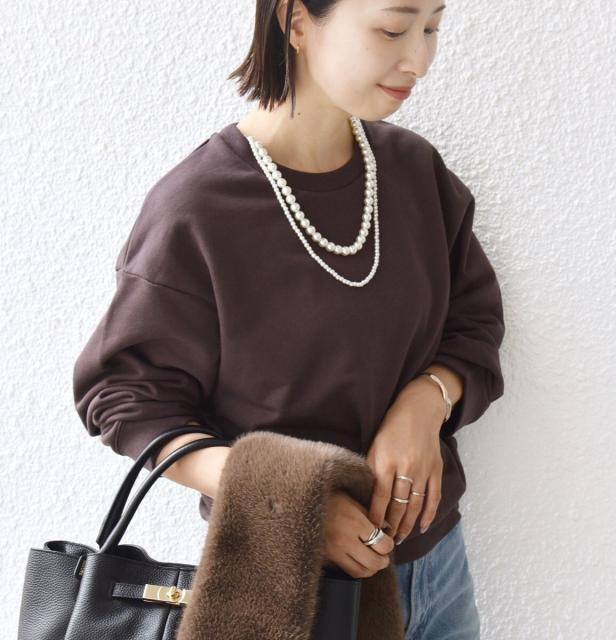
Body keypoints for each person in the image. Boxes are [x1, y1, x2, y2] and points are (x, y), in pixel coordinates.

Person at [72, 1, 505, 637]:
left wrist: (426, 400)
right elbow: (124, 398)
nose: (418, 59)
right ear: (297, 20)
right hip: (287, 590)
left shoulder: (416, 173)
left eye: (432, 28)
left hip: (438, 571)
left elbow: (475, 321)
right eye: (393, 28)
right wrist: (290, 505)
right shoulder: (198, 207)